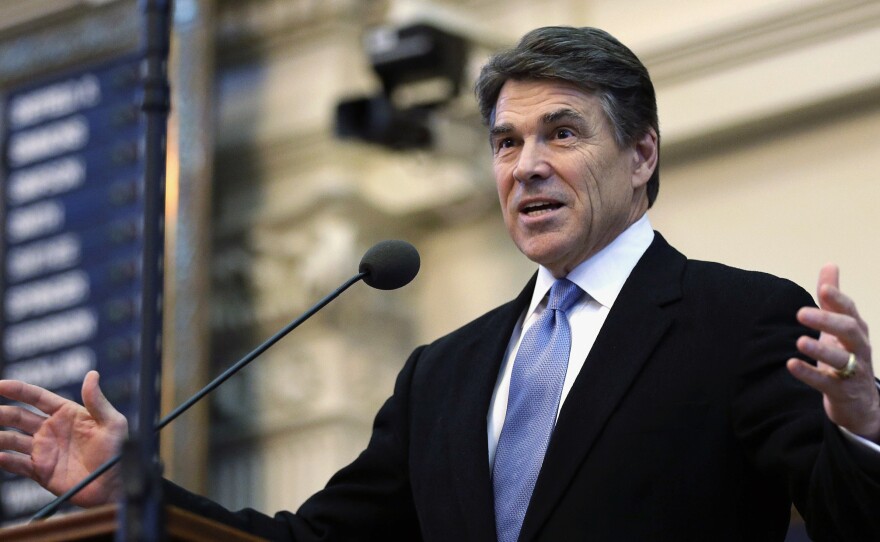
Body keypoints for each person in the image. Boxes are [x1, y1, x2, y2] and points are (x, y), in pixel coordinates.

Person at [1, 26, 879, 541]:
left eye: (562, 134)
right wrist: (139, 498)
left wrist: (866, 427)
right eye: (506, 143)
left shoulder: (741, 320)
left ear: (642, 153)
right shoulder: (444, 375)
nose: (526, 167)